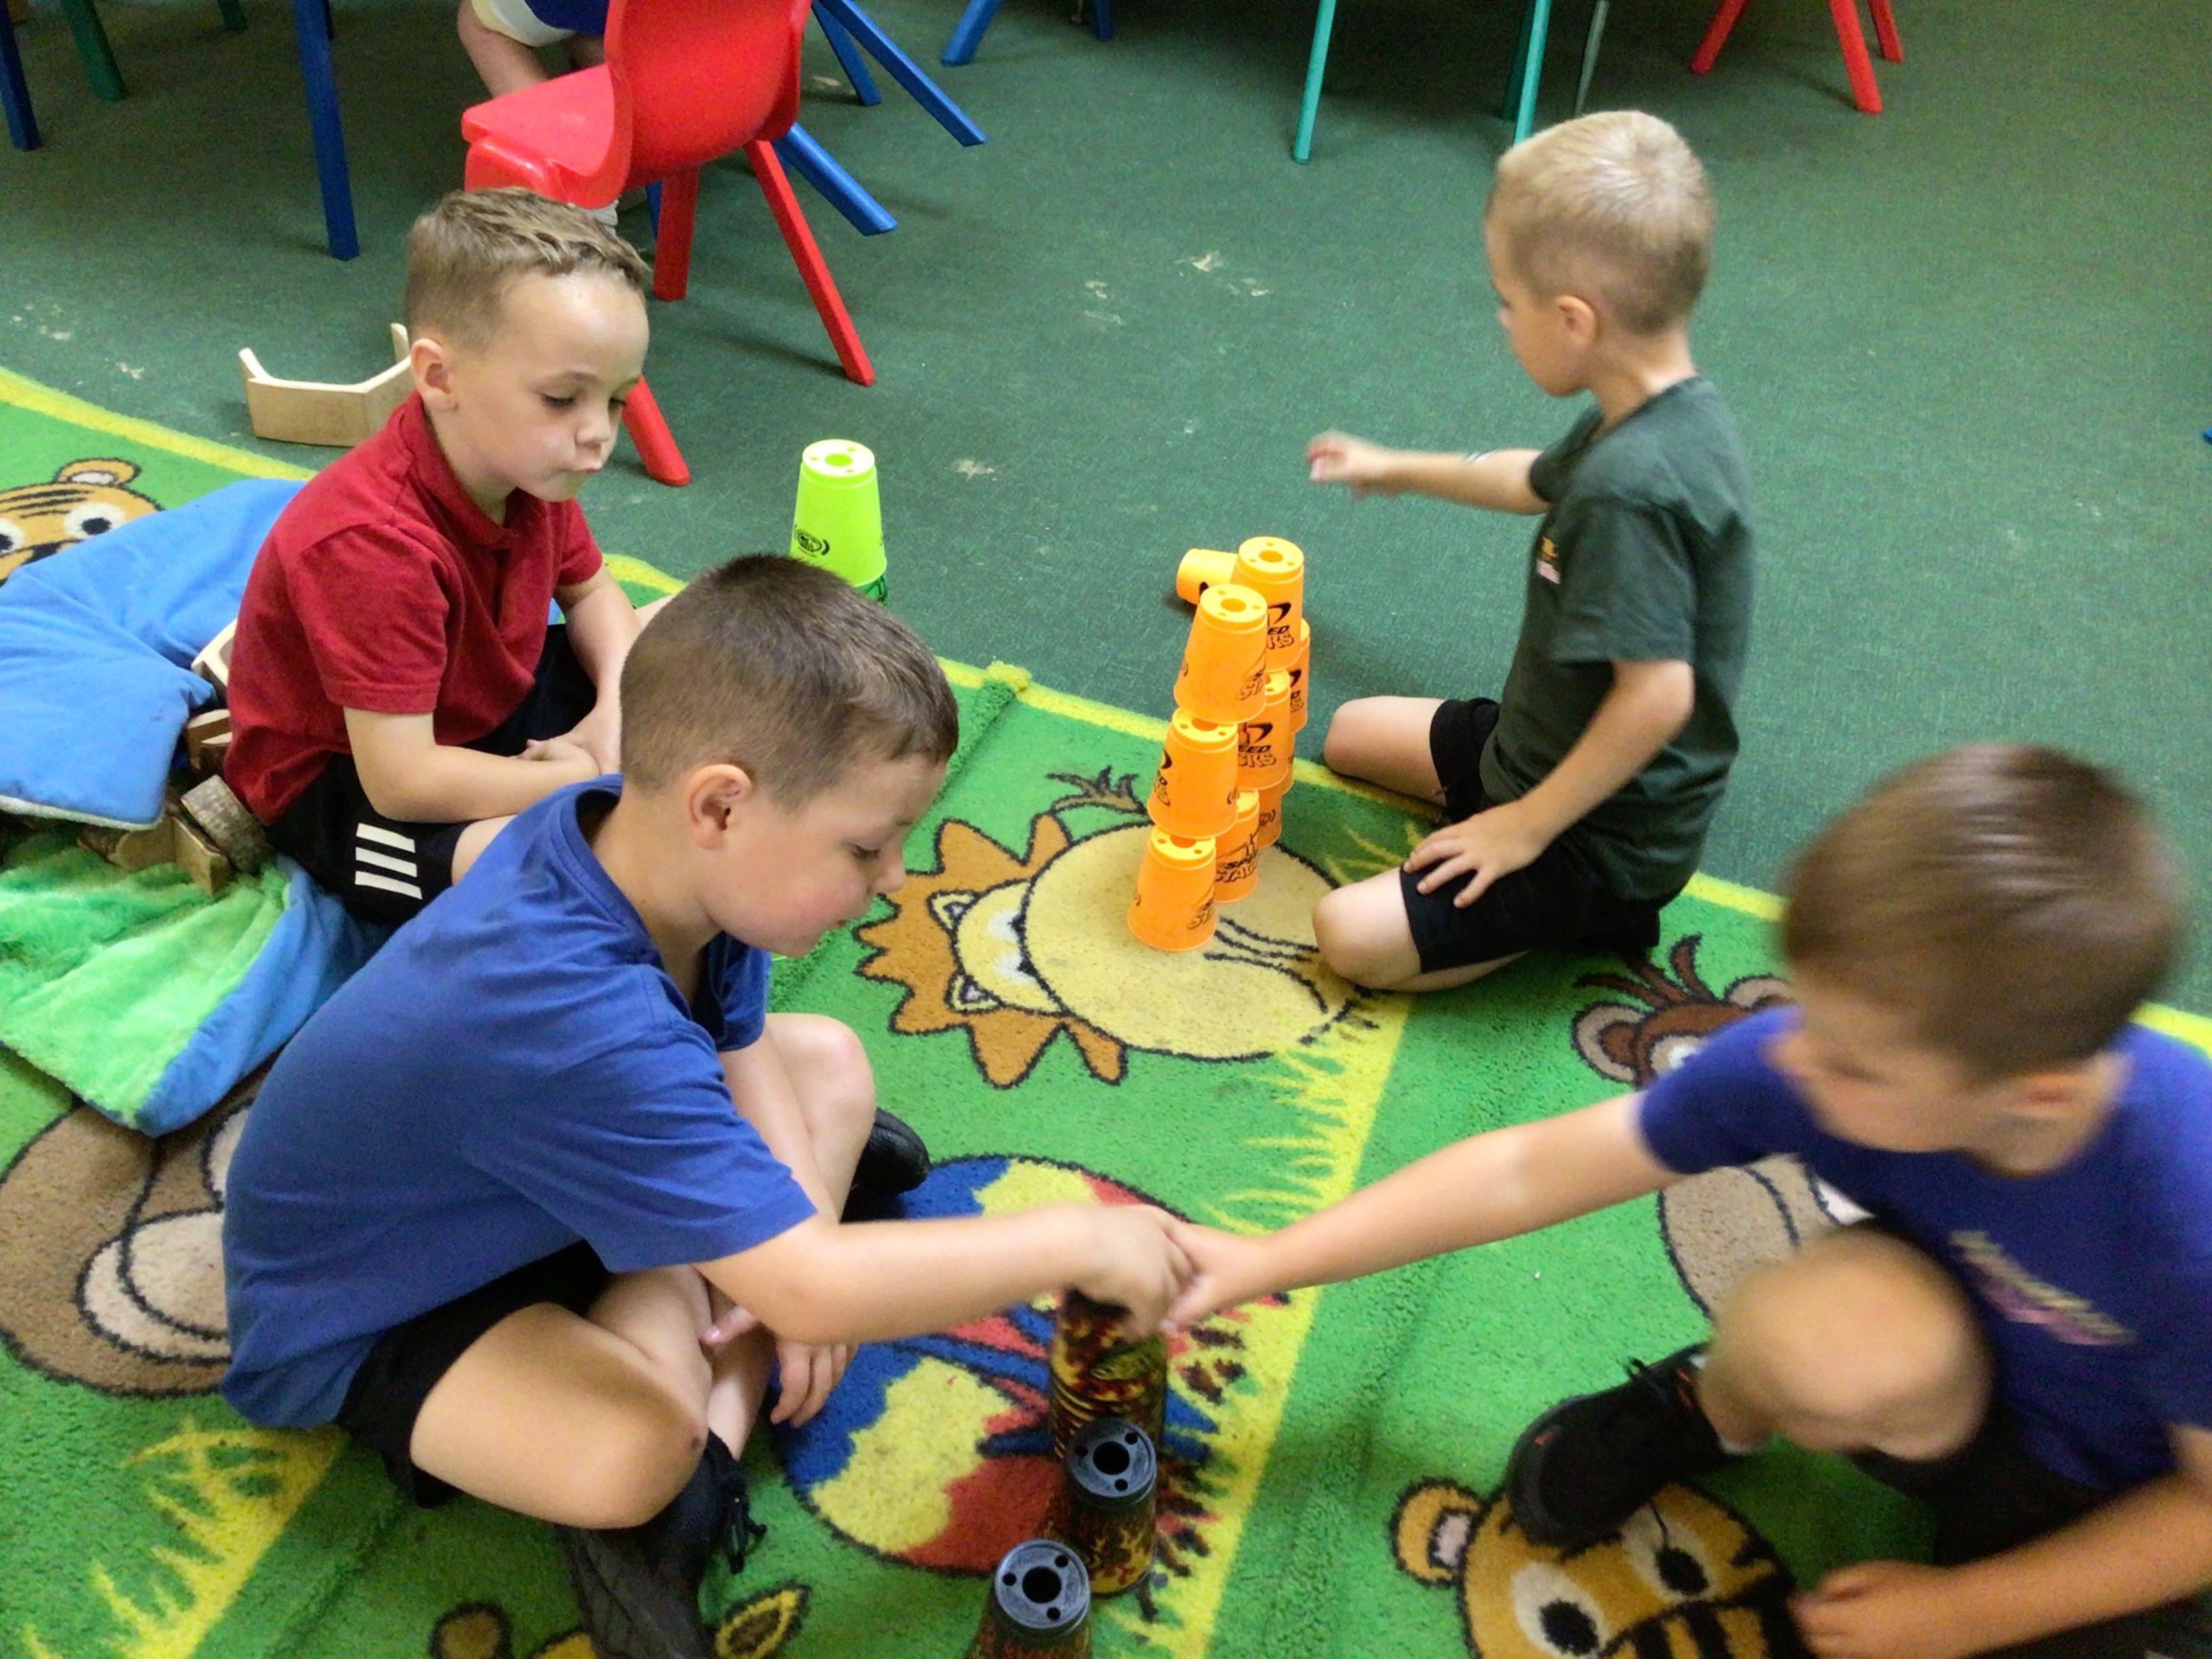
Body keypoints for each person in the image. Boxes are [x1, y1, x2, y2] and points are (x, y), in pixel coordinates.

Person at [221, 556, 1193, 1659]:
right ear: (721, 804)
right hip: (382, 1299)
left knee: (829, 1065)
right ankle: (687, 1502)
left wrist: (799, 1253)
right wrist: (1070, 1240)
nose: (893, 878)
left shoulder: (642, 844)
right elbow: (813, 1290)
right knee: (642, 1446)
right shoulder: (576, 1017)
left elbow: (737, 1042)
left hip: (524, 1185)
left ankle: (714, 1252)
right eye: (865, 845)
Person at [1168, 745, 2212, 1659]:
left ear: (2038, 1094)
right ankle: (1716, 1404)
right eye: (1805, 1011)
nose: (1794, 1063)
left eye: (1855, 1065)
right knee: (1814, 1335)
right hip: (1940, 1350)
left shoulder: (2188, 1211)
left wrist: (1967, 1613)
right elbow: (1528, 1169)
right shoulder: (1832, 1055)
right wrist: (1267, 1261)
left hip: (2132, 1482)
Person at [1305, 110, 1753, 993]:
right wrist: (1396, 467)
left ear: (1575, 320)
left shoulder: (1633, 489)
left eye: (1510, 302)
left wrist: (1524, 829)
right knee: (1352, 733)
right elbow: (1532, 478)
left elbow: (1659, 697)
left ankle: (1588, 909)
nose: (1503, 320)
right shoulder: (1649, 408)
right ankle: (1504, 826)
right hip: (1530, 744)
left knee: (1347, 936)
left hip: (1598, 837)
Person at [224, 188, 651, 926]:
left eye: (616, 400)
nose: (598, 434)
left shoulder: (528, 464)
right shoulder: (372, 544)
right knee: (547, 876)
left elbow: (592, 594)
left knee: (704, 638)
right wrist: (580, 777)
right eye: (562, 398)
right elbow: (404, 783)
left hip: (482, 709)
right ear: (439, 376)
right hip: (350, 779)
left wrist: (614, 712)